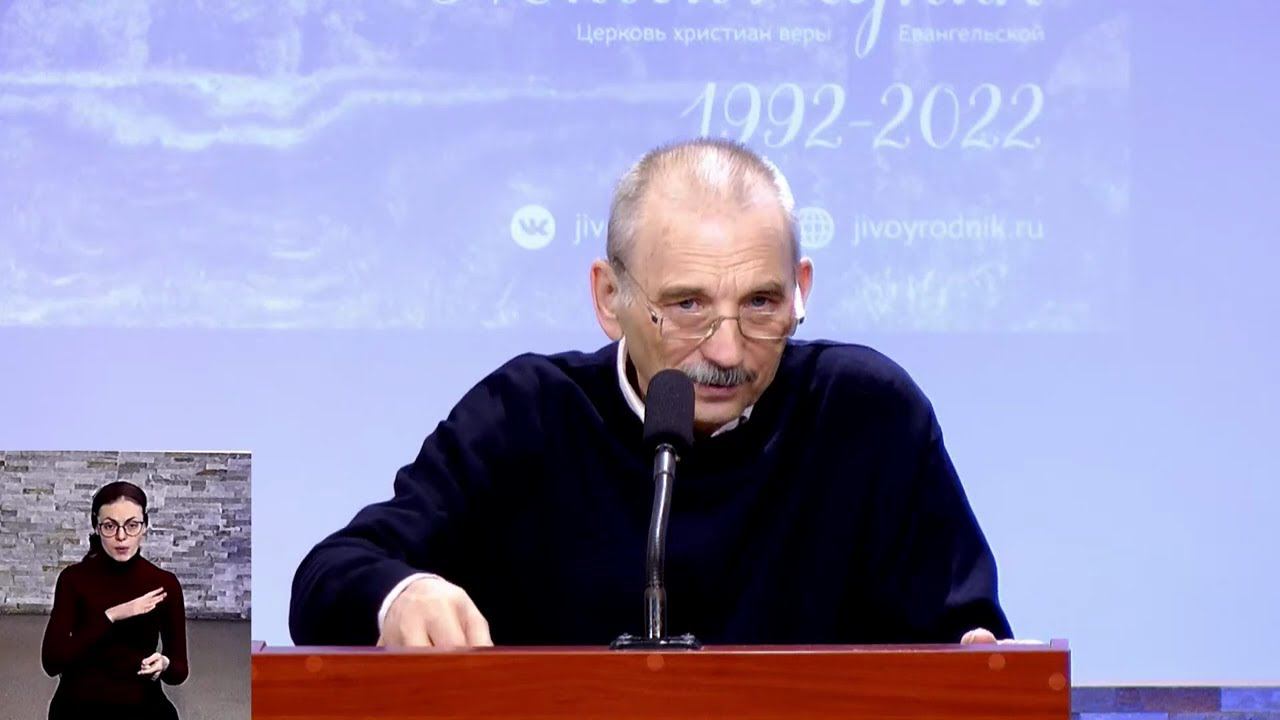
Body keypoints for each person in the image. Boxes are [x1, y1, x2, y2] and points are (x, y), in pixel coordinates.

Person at [290, 138, 1013, 649]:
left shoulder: (866, 414)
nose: (726, 351)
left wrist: (978, 660)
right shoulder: (528, 414)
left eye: (760, 304)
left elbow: (967, 641)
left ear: (801, 292)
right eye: (688, 306)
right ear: (610, 298)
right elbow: (330, 574)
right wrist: (402, 594)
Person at [42, 481, 189, 720]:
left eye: (132, 525)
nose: (121, 536)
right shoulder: (73, 579)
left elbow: (179, 672)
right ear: (96, 527)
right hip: (79, 706)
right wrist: (113, 614)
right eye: (110, 526)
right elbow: (51, 662)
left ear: (144, 526)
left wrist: (163, 664)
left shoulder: (165, 584)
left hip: (140, 705)